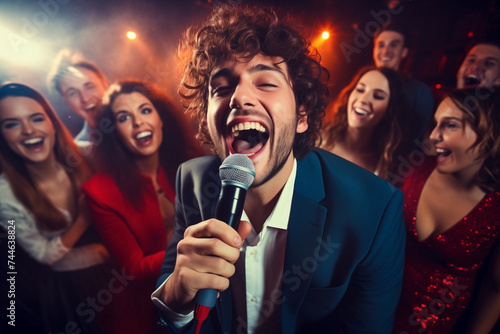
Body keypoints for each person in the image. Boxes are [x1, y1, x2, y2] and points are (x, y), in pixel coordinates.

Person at [152, 5, 406, 333]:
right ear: (207, 121)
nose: (239, 97)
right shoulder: (194, 180)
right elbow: (171, 309)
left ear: (301, 115)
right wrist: (175, 298)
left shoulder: (374, 210)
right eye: (222, 87)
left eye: (266, 83)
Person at [82, 78, 202, 334]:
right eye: (124, 117)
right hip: (143, 310)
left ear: (161, 119)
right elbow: (132, 268)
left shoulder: (194, 165)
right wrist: (193, 250)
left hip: (202, 295)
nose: (138, 122)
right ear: (114, 131)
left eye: (145, 110)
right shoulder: (99, 191)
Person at [0, 82, 111, 333]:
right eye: (12, 124)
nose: (28, 130)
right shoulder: (4, 193)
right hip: (70, 292)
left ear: (51, 123)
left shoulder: (88, 154)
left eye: (36, 118)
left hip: (118, 271)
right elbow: (43, 255)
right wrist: (83, 220)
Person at [393, 88, 500, 333]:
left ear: (487, 131)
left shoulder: (496, 207)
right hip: (371, 309)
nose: (433, 136)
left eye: (449, 125)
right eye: (435, 124)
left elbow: (495, 287)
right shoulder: (411, 171)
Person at [320, 66, 410, 180]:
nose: (363, 99)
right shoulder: (316, 139)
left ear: (389, 111)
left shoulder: (384, 167)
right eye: (360, 90)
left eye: (378, 96)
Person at [373, 20, 434, 144]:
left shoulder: (420, 92)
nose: (385, 51)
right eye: (381, 45)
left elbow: (416, 141)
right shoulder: (360, 86)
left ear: (404, 52)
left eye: (394, 45)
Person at [47, 48, 108, 142]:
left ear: (104, 84)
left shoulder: (137, 123)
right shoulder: (80, 152)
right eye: (73, 93)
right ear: (65, 101)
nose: (85, 98)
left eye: (89, 87)